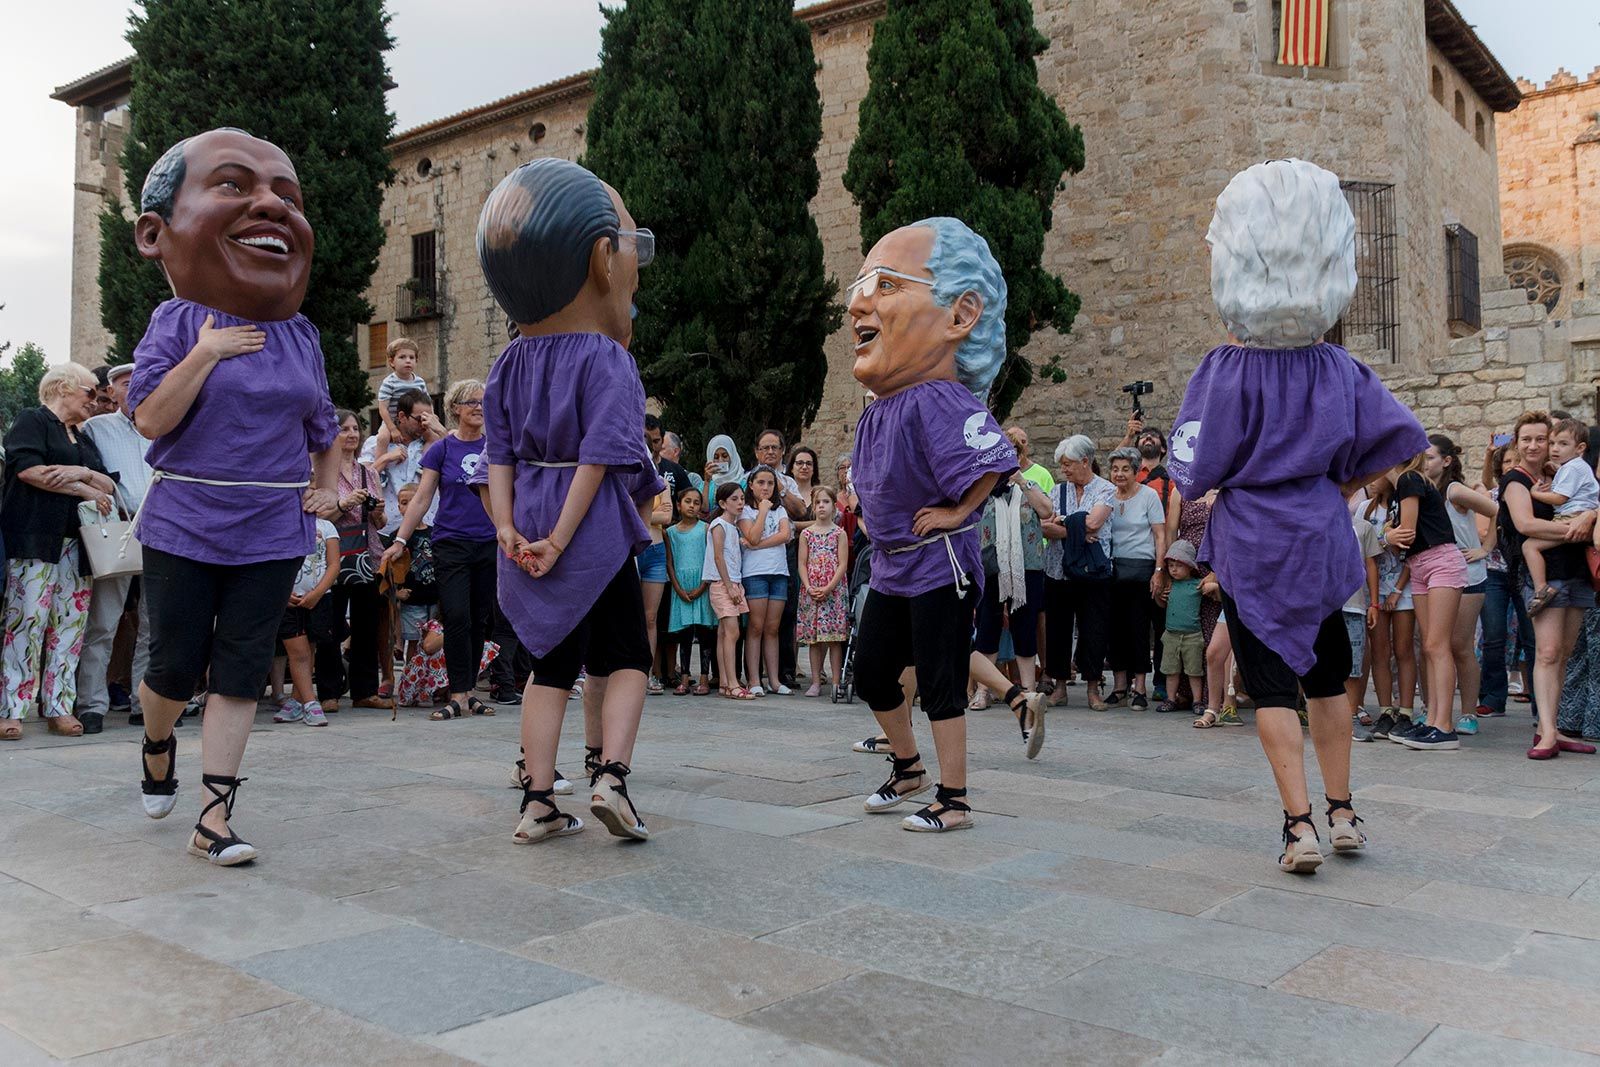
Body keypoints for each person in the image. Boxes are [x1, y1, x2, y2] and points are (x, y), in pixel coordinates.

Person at [1168, 159, 1427, 872]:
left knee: (1272, 685)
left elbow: (1191, 467)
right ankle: (1344, 810)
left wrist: (1225, 487)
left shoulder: (1224, 368)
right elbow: (1400, 439)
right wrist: (1339, 484)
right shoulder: (1338, 369)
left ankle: (1300, 824)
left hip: (1252, 538)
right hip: (1318, 533)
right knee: (1326, 676)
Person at [126, 128, 341, 865]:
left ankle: (214, 815)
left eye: (287, 194)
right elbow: (150, 418)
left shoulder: (301, 334)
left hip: (272, 525)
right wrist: (207, 351)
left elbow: (324, 425)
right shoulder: (175, 322)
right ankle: (158, 741)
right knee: (175, 666)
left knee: (243, 663)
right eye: (236, 185)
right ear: (156, 233)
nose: (272, 207)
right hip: (186, 518)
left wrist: (330, 484)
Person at [477, 157, 663, 842]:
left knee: (548, 664)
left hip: (522, 514)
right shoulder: (607, 357)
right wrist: (560, 535)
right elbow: (602, 455)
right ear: (600, 261)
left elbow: (499, 452)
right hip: (585, 528)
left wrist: (506, 524)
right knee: (627, 657)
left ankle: (537, 801)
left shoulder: (507, 362)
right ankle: (612, 775)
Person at [847, 215, 1017, 834]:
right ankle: (909, 766)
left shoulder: (940, 398)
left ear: (959, 316)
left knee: (942, 679)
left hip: (938, 560)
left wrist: (958, 513)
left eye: (887, 285)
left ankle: (956, 799)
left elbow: (997, 461)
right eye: (860, 286)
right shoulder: (885, 405)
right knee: (871, 672)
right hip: (894, 564)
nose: (858, 302)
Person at [0, 363, 114, 740]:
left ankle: (59, 706)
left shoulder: (80, 436)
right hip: (35, 539)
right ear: (64, 388)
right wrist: (85, 486)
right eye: (90, 393)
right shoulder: (33, 421)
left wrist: (81, 475)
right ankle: (11, 708)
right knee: (26, 622)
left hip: (78, 545)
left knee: (70, 627)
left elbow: (108, 486)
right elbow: (30, 471)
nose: (96, 401)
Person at [382, 379, 498, 720]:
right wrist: (400, 540)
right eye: (471, 401)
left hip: (488, 542)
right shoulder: (442, 450)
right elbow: (421, 498)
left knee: (480, 619)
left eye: (482, 401)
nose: (479, 406)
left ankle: (470, 691)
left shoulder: (496, 446)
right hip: (450, 543)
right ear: (455, 409)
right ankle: (457, 693)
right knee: (457, 616)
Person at [1497, 411, 1598, 760]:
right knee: (1547, 653)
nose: (1537, 445)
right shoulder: (1516, 480)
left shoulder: (1561, 475)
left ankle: (1549, 727)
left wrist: (1591, 515)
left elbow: (1589, 501)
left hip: (1577, 572)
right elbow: (1526, 526)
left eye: (1544, 438)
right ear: (1517, 442)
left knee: (1564, 655)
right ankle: (1548, 732)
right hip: (1544, 575)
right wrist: (1581, 528)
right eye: (1528, 439)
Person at [75, 361, 153, 733]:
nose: (135, 386)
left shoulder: (165, 426)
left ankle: (145, 702)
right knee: (104, 621)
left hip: (161, 531)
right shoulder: (95, 428)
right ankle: (91, 704)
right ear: (112, 391)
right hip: (117, 529)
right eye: (126, 382)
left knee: (156, 625)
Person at [1382, 450, 1470, 750]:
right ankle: (1432, 720)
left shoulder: (1409, 479)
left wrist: (1387, 536)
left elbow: (1403, 535)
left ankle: (1444, 725)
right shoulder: (1402, 488)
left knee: (1436, 644)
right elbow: (1401, 543)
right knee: (1429, 646)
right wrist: (1389, 536)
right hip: (1419, 565)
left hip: (1440, 560)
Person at [314, 410, 390, 712]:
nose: (352, 434)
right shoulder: (321, 471)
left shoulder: (368, 472)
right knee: (329, 625)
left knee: (366, 624)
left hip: (365, 555)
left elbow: (381, 522)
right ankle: (329, 690)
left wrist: (376, 511)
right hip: (333, 555)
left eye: (356, 428)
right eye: (344, 429)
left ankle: (365, 690)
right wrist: (343, 504)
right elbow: (318, 515)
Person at [1426, 433, 1497, 737]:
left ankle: (1468, 711)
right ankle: (1434, 712)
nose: (1424, 462)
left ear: (1446, 460)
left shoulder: (1454, 490)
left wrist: (1485, 549)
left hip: (1469, 575)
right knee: (1435, 645)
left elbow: (1498, 510)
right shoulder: (1424, 490)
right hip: (1438, 576)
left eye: (1430, 457)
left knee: (1460, 646)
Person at [1041, 435, 1115, 710]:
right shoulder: (1058, 491)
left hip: (1094, 572)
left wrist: (1065, 523)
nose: (1065, 470)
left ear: (1086, 461)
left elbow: (1096, 521)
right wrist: (1080, 533)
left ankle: (1093, 688)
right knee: (1057, 629)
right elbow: (1045, 527)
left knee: (1093, 628)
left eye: (1069, 464)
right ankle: (1059, 686)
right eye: (1062, 465)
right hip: (1058, 570)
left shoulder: (1104, 489)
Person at [973, 469, 1053, 704]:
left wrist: (1021, 481)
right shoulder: (981, 486)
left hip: (1027, 568)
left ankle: (1027, 691)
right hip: (990, 567)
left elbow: (1047, 511)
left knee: (1025, 626)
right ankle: (983, 691)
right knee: (987, 626)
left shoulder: (1030, 486)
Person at [1105, 446, 1167, 708]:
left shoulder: (1149, 496)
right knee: (1114, 629)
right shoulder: (1107, 496)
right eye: (1115, 469)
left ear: (1135, 471)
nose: (1119, 474)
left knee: (1139, 629)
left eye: (1125, 469)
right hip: (1112, 570)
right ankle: (1120, 686)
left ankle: (1140, 686)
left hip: (1141, 568)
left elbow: (1160, 536)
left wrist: (1159, 571)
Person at [1523, 419, 1600, 614]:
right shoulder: (1573, 466)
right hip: (1576, 516)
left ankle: (1541, 589)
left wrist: (1535, 493)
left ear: (1580, 448)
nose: (1555, 449)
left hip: (1571, 518)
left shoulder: (1573, 467)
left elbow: (1559, 498)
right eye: (1552, 443)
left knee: (1529, 545)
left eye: (1563, 444)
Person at [1479, 445, 1532, 719]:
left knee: (1531, 636)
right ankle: (1492, 697)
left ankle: (1540, 701)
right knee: (1494, 635)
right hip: (1495, 571)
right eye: (1506, 461)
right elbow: (1484, 486)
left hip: (1525, 570)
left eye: (1516, 460)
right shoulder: (1492, 496)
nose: (1511, 464)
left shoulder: (1531, 490)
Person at [275, 518, 338, 726]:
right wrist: (282, 592)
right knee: (298, 653)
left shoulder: (327, 526)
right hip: (289, 600)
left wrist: (317, 593)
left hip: (318, 599)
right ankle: (311, 703)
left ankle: (296, 700)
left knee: (309, 650)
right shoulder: (279, 522)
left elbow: (334, 564)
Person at [739, 465, 793, 695]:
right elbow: (751, 533)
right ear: (751, 485)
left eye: (770, 483)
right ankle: (753, 680)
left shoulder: (780, 511)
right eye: (761, 483)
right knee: (756, 626)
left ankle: (774, 679)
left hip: (778, 572)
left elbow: (785, 535)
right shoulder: (745, 512)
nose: (766, 487)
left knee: (773, 628)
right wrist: (761, 511)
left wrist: (756, 545)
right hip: (755, 573)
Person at [799, 485, 850, 697]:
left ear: (833, 506)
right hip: (812, 590)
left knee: (834, 638)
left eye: (826, 502)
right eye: (818, 502)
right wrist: (809, 586)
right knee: (814, 639)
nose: (822, 506)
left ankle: (836, 681)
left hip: (833, 591)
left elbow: (842, 564)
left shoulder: (839, 533)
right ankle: (815, 681)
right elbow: (802, 563)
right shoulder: (806, 534)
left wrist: (829, 587)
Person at [664, 486, 714, 696]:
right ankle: (684, 677)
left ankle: (704, 678)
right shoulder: (670, 532)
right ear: (678, 504)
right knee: (684, 635)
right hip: (681, 586)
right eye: (687, 501)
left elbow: (710, 559)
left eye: (696, 502)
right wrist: (677, 587)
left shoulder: (706, 529)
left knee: (704, 633)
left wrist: (703, 586)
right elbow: (670, 562)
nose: (692, 506)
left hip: (701, 583)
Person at [706, 481, 753, 698]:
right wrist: (728, 586)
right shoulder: (719, 524)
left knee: (725, 633)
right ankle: (733, 683)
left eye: (742, 498)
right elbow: (718, 556)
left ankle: (725, 682)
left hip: (733, 582)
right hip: (722, 583)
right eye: (734, 499)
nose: (740, 503)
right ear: (723, 503)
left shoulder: (732, 527)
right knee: (732, 632)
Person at [1340, 506, 1383, 737]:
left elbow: (1370, 565)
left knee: (1353, 666)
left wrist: (1373, 604)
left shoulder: (1363, 527)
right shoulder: (1317, 522)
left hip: (1354, 606)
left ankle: (1350, 715)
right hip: (1324, 607)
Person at [1156, 540, 1205, 714]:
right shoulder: (1169, 585)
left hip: (1193, 635)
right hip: (1171, 634)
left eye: (1179, 565)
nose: (1174, 569)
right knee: (1171, 670)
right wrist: (1159, 596)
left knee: (1194, 671)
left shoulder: (1198, 585)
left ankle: (1198, 701)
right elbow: (1162, 605)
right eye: (1171, 565)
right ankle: (1171, 698)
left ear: (1190, 566)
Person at [373, 337, 431, 459]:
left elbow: (428, 403)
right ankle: (378, 468)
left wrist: (430, 420)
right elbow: (383, 408)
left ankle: (425, 462)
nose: (408, 361)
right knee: (382, 438)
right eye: (402, 357)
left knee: (433, 437)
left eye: (411, 357)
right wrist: (392, 429)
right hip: (392, 420)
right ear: (392, 362)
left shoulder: (420, 382)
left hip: (416, 420)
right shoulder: (389, 382)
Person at [703, 435, 747, 510]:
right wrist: (707, 482)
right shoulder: (707, 485)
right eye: (716, 457)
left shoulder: (744, 484)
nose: (721, 461)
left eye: (725, 456)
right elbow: (703, 509)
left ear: (732, 457)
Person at [1006, 426, 1055, 494]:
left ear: (1028, 445)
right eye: (1013, 443)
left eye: (1023, 442)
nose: (1020, 446)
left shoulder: (1042, 474)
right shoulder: (999, 473)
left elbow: (1052, 502)